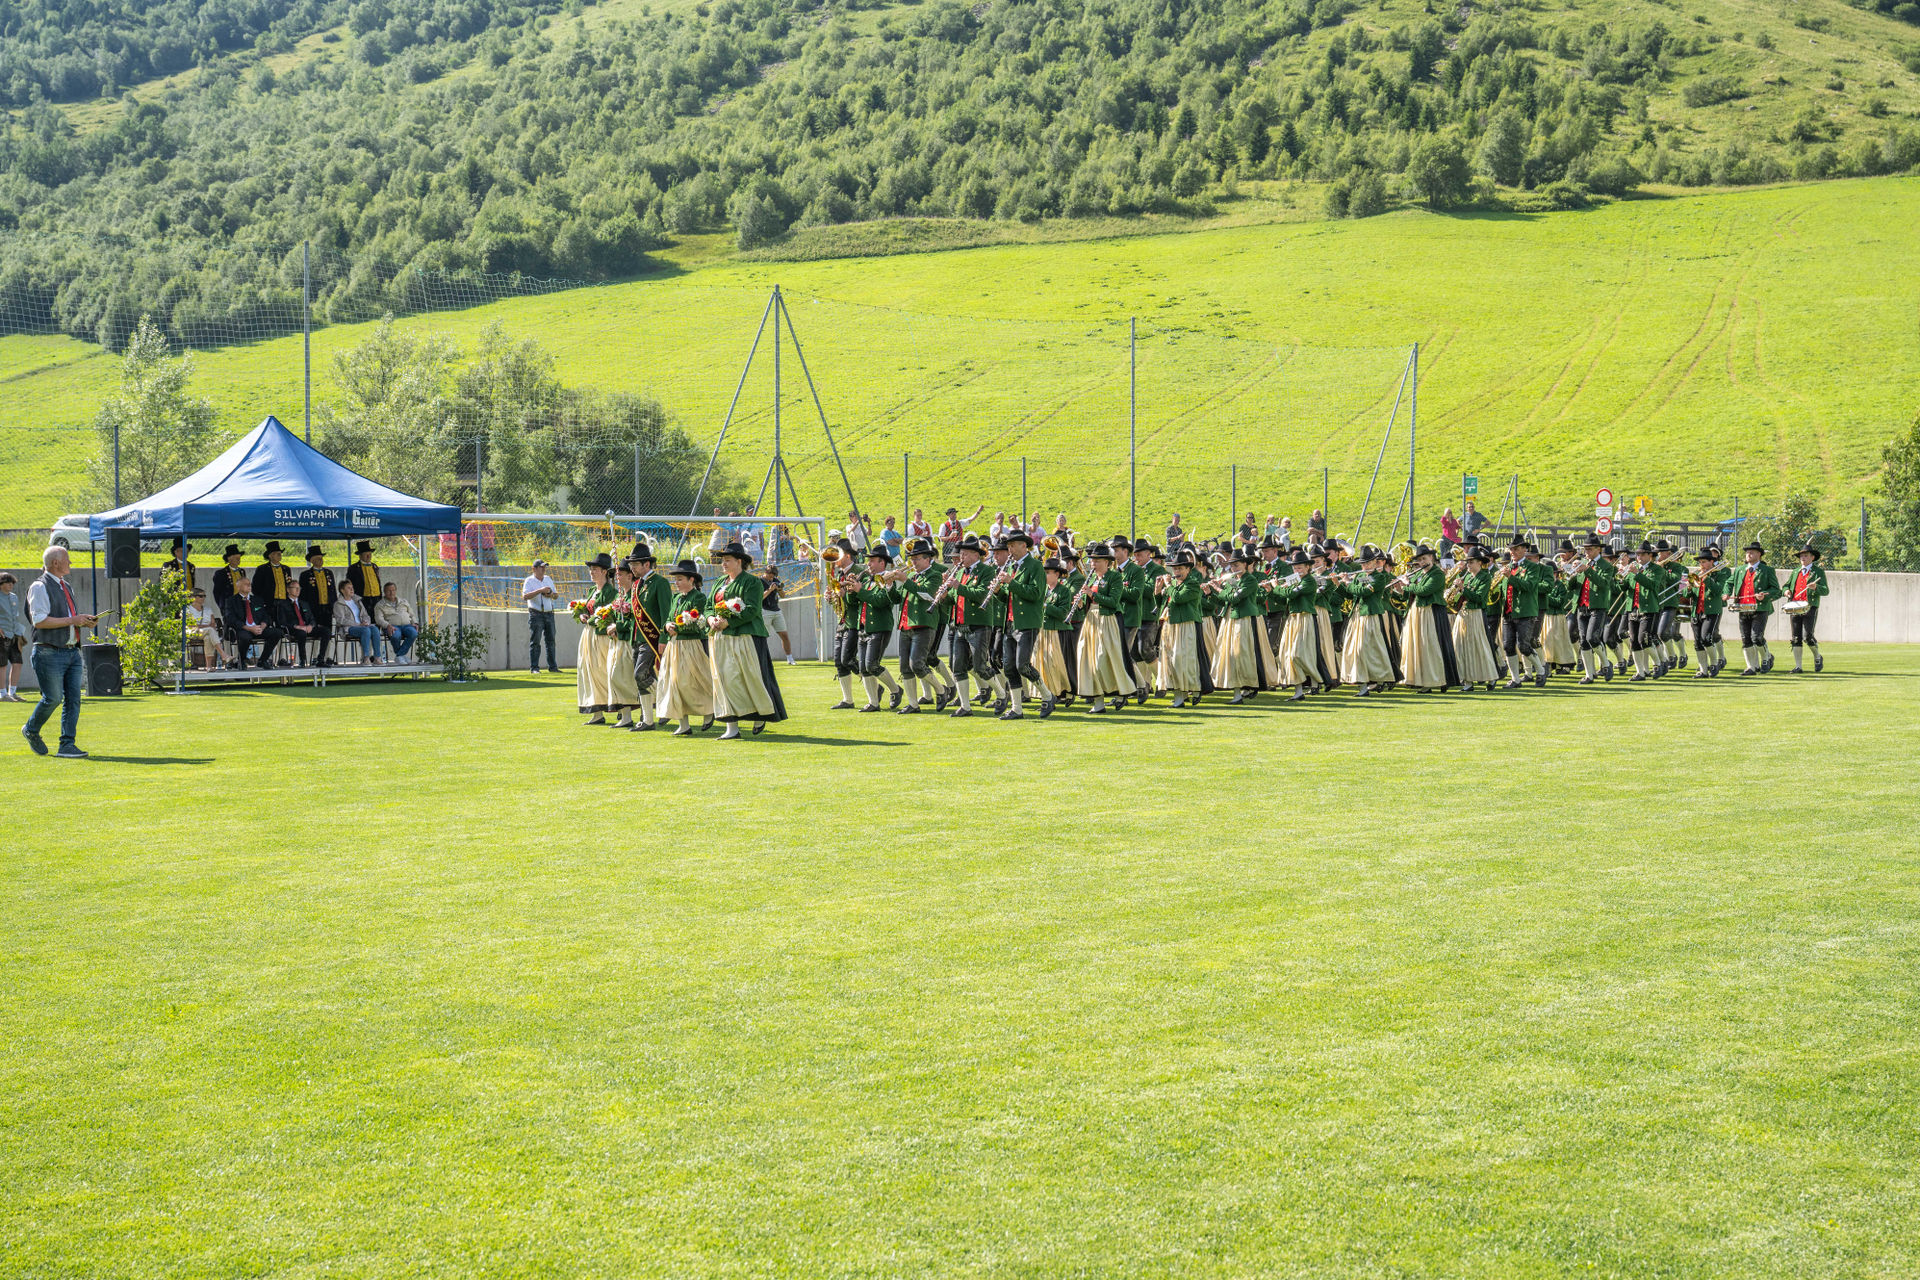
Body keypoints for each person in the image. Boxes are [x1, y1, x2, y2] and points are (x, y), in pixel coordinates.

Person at [21, 545, 98, 758]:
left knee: (74, 700)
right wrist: (73, 620)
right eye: (67, 559)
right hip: (48, 652)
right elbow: (39, 621)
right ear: (56, 563)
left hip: (72, 651)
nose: (70, 563)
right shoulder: (39, 586)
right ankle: (31, 729)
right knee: (53, 698)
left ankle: (67, 745)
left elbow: (67, 619)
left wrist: (83, 621)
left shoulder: (66, 586)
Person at [705, 540, 787, 739]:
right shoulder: (719, 582)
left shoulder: (752, 582)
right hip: (721, 638)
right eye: (723, 560)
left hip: (745, 637)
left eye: (728, 560)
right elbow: (708, 606)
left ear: (739, 561)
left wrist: (728, 622)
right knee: (723, 680)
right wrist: (711, 619)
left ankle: (761, 713)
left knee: (749, 679)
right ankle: (731, 728)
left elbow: (752, 609)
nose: (723, 564)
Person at [1076, 542, 1137, 713]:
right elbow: (1088, 602)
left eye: (1096, 561)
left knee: (1104, 660)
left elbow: (1113, 601)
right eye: (1092, 560)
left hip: (1108, 620)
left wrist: (1092, 594)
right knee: (1088, 660)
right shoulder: (1092, 578)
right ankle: (1098, 703)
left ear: (1107, 562)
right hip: (1091, 621)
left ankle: (1122, 691)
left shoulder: (1114, 577)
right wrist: (1080, 602)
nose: (1092, 564)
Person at [658, 559, 715, 735]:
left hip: (692, 645)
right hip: (675, 645)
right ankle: (683, 724)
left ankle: (710, 710)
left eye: (680, 579)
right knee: (674, 683)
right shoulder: (676, 598)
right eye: (676, 579)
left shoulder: (698, 597)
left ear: (691, 580)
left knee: (696, 682)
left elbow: (698, 622)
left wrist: (678, 627)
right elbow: (669, 617)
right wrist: (667, 626)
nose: (677, 582)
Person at [626, 543, 672, 729]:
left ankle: (666, 703)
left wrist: (663, 638)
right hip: (637, 638)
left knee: (640, 674)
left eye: (635, 564)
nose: (632, 568)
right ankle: (647, 720)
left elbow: (666, 613)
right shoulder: (636, 585)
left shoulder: (660, 583)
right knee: (641, 679)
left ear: (647, 564)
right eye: (631, 564)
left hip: (651, 638)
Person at [577, 552, 619, 724]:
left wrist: (594, 619)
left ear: (604, 571)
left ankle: (619, 705)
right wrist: (582, 614)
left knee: (605, 671)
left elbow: (610, 613)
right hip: (589, 635)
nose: (591, 572)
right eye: (591, 569)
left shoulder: (611, 592)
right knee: (589, 671)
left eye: (595, 569)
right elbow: (588, 610)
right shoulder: (592, 590)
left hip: (602, 637)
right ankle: (597, 712)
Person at [1730, 541, 1781, 675]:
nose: (1748, 554)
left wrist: (1765, 595)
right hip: (1742, 608)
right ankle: (1751, 667)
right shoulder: (1740, 570)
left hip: (1760, 608)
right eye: (1747, 552)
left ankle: (1766, 658)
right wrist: (1726, 593)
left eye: (1751, 552)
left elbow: (1776, 590)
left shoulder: (1767, 570)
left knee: (1756, 637)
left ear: (1759, 554)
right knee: (1745, 639)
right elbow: (1729, 583)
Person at [222, 570, 285, 669]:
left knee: (277, 633)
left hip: (258, 628)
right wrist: (248, 628)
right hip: (243, 629)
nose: (249, 586)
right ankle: (242, 660)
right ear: (238, 587)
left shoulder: (257, 600)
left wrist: (262, 626)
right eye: (246, 584)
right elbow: (230, 618)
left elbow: (266, 615)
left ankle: (263, 660)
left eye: (249, 584)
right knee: (245, 637)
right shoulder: (231, 601)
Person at [251, 541, 296, 643]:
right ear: (270, 555)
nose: (279, 555)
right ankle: (271, 651)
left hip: (283, 603)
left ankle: (282, 652)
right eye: (276, 553)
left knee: (284, 628)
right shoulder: (262, 569)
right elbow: (256, 588)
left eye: (280, 553)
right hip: (269, 604)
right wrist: (263, 602)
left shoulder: (286, 569)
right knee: (270, 628)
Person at [523, 559, 561, 674]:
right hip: (536, 613)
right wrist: (540, 590)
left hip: (549, 613)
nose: (544, 569)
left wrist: (550, 594)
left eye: (544, 567)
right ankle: (534, 668)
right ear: (534, 569)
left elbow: (556, 595)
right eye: (541, 567)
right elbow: (525, 596)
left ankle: (553, 667)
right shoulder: (529, 580)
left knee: (551, 641)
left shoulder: (548, 579)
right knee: (535, 641)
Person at [333, 581, 380, 664]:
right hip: (348, 628)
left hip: (362, 626)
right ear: (342, 590)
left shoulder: (357, 601)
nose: (352, 590)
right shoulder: (338, 604)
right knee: (366, 630)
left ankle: (377, 657)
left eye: (352, 588)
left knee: (375, 629)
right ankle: (366, 657)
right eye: (348, 588)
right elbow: (341, 620)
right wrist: (358, 624)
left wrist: (366, 622)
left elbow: (365, 614)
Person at [186, 587, 228, 671]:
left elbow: (213, 624)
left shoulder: (208, 609)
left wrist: (201, 626)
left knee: (208, 637)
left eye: (204, 596)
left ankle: (209, 666)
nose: (203, 598)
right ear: (193, 597)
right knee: (210, 630)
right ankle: (223, 655)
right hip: (192, 632)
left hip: (206, 632)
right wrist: (205, 626)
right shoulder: (187, 609)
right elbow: (190, 625)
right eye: (201, 596)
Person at [758, 564, 793, 665]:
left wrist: (779, 589)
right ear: (765, 572)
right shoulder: (759, 582)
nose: (772, 578)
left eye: (773, 576)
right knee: (763, 637)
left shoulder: (775, 580)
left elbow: (783, 596)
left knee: (784, 636)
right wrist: (770, 590)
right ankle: (762, 659)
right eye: (770, 576)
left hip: (776, 611)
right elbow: (760, 598)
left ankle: (790, 659)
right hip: (764, 611)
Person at [0, 572, 27, 700]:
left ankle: (13, 692)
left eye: (12, 583)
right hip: (2, 635)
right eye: (8, 582)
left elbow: (15, 616)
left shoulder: (14, 597)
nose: (11, 585)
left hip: (15, 634)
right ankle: (2, 694)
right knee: (2, 664)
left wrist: (20, 634)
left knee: (18, 663)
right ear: (1, 584)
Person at [374, 582, 418, 661]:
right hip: (392, 626)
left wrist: (414, 623)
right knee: (396, 636)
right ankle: (401, 656)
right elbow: (379, 619)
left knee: (414, 633)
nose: (391, 593)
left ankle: (399, 655)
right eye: (389, 591)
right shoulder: (380, 605)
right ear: (384, 592)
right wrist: (387, 625)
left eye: (393, 590)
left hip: (407, 625)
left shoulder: (403, 601)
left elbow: (412, 614)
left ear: (396, 590)